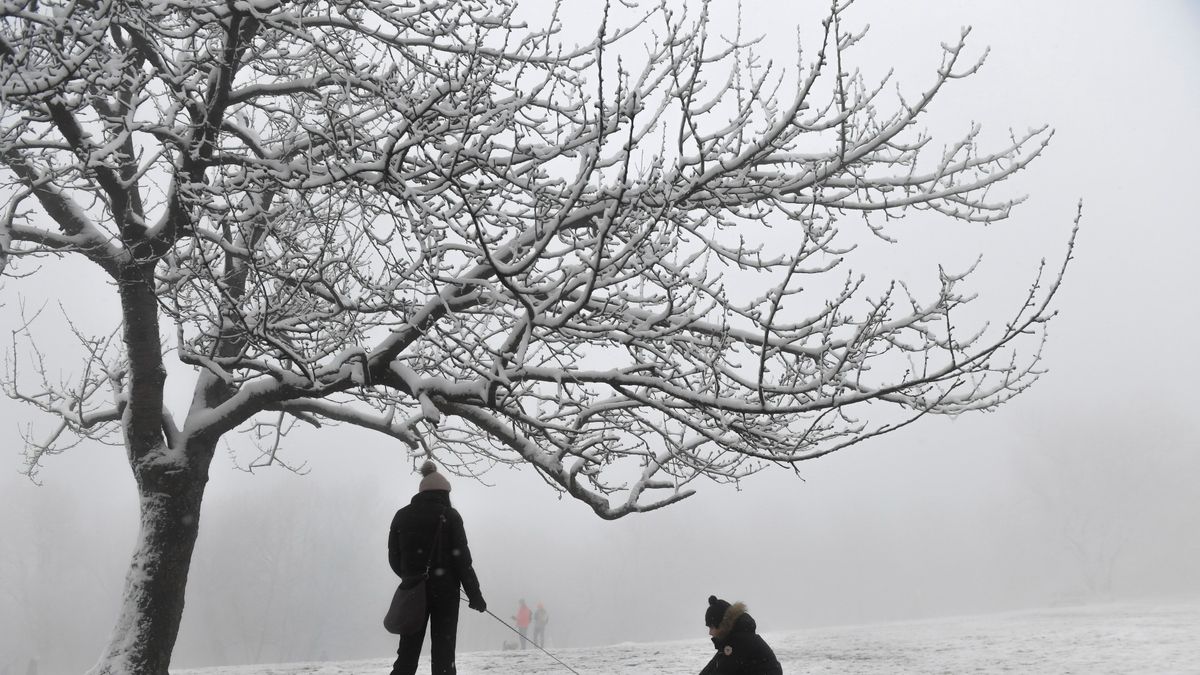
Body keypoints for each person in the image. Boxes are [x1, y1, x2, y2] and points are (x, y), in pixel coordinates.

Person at [388, 461, 487, 675]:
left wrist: (412, 578)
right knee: (444, 654)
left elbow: (394, 559)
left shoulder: (401, 516)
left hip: (413, 592)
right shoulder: (450, 516)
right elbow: (463, 561)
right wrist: (475, 595)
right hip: (446, 595)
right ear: (444, 493)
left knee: (407, 654)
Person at [699, 595, 782, 675]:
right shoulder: (732, 639)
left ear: (721, 625)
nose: (710, 632)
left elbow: (723, 670)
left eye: (711, 627)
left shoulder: (739, 641)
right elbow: (713, 666)